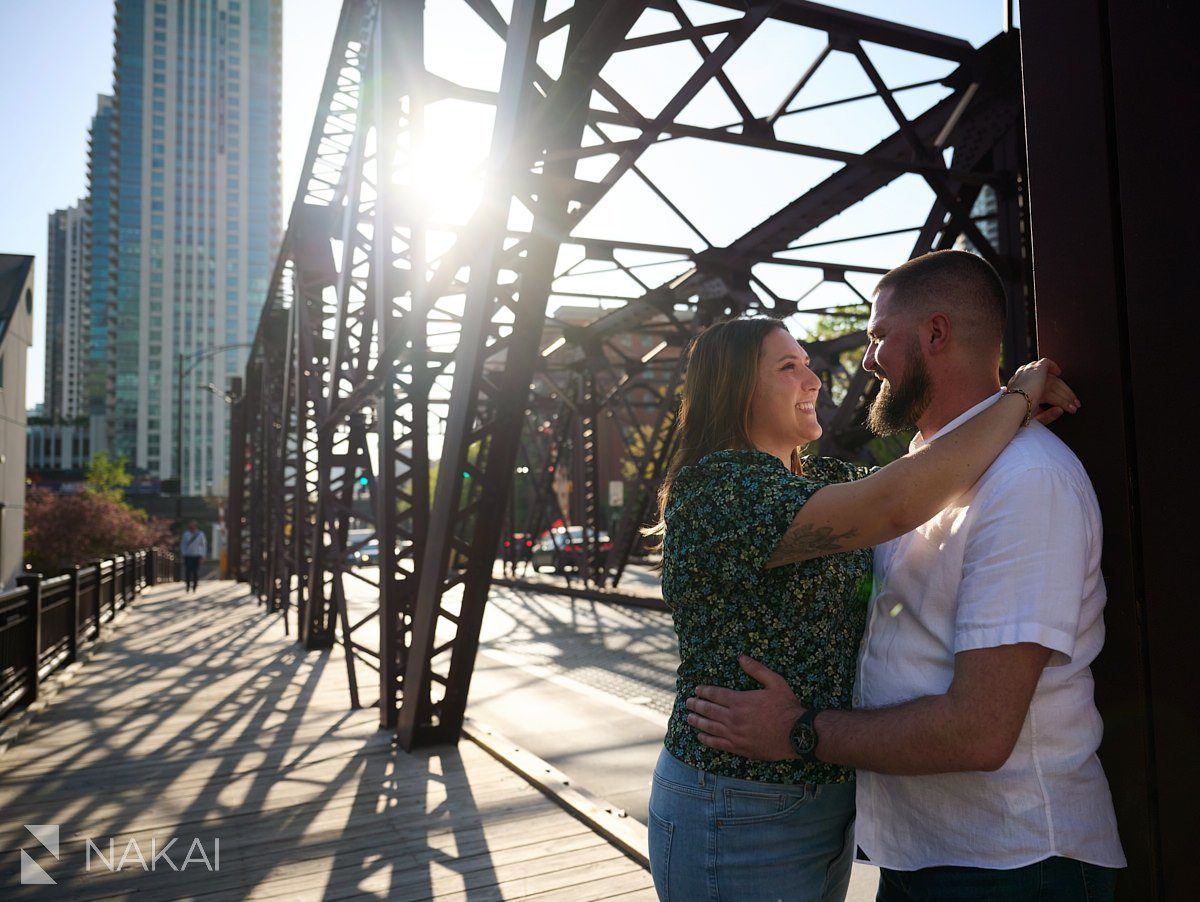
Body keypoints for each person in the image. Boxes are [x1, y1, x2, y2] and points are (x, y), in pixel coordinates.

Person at [685, 250, 1125, 900]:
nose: (862, 360)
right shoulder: (919, 477)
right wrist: (1013, 403)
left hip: (1013, 862)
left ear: (936, 335)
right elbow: (890, 504)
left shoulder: (1027, 480)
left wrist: (798, 730)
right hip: (924, 854)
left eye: (878, 335)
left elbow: (979, 730)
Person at [180, 520, 207, 592]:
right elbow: (183, 545)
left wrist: (203, 555)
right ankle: (188, 585)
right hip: (188, 556)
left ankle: (195, 586)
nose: (192, 528)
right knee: (188, 571)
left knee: (195, 572)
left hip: (197, 555)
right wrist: (184, 553)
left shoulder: (200, 534)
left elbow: (203, 545)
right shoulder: (186, 534)